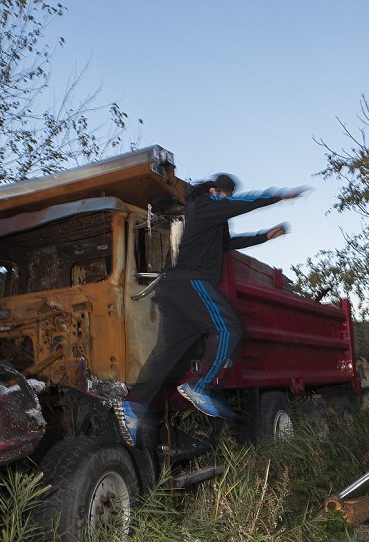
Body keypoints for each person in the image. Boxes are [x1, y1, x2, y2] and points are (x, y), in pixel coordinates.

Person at [116, 173, 307, 446]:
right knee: (230, 327)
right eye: (224, 195)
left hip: (175, 290)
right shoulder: (203, 204)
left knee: (167, 356)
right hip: (189, 283)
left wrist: (264, 237)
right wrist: (277, 196)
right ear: (215, 190)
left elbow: (227, 245)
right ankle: (199, 384)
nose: (226, 201)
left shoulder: (210, 220)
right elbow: (244, 203)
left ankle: (133, 406)